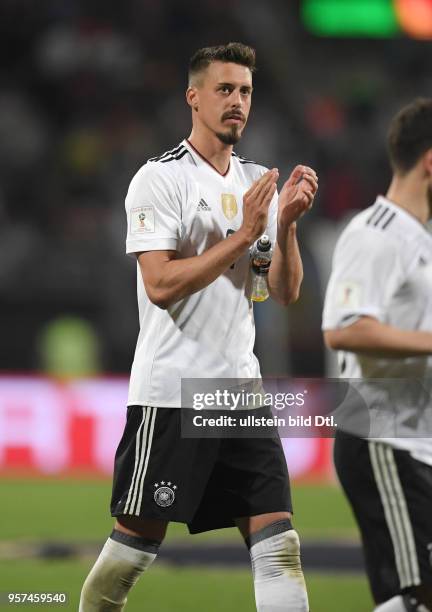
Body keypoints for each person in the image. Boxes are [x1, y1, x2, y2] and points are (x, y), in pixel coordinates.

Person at [79, 42, 317, 612]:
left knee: (279, 545)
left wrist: (284, 228)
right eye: (225, 90)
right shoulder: (159, 181)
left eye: (246, 92)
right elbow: (160, 285)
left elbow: (282, 292)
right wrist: (242, 234)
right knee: (132, 551)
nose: (238, 102)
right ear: (194, 97)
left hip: (239, 392)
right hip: (171, 395)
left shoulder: (260, 183)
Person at [322, 98, 432, 612]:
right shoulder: (376, 235)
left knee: (408, 597)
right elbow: (344, 329)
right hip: (383, 440)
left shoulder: (419, 239)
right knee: (418, 595)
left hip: (414, 443)